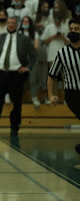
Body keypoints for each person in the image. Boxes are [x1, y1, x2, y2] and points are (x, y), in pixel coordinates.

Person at [0, 17, 38, 137]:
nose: (11, 25)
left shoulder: (24, 39)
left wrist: (27, 67)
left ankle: (14, 128)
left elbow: (34, 55)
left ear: (17, 25)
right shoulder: (0, 38)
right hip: (0, 74)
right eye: (9, 23)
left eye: (13, 23)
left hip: (16, 75)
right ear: (6, 24)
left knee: (17, 103)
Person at [48, 17, 80, 157]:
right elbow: (51, 76)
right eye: (71, 29)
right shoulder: (62, 53)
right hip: (72, 94)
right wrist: (50, 95)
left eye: (77, 29)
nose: (73, 32)